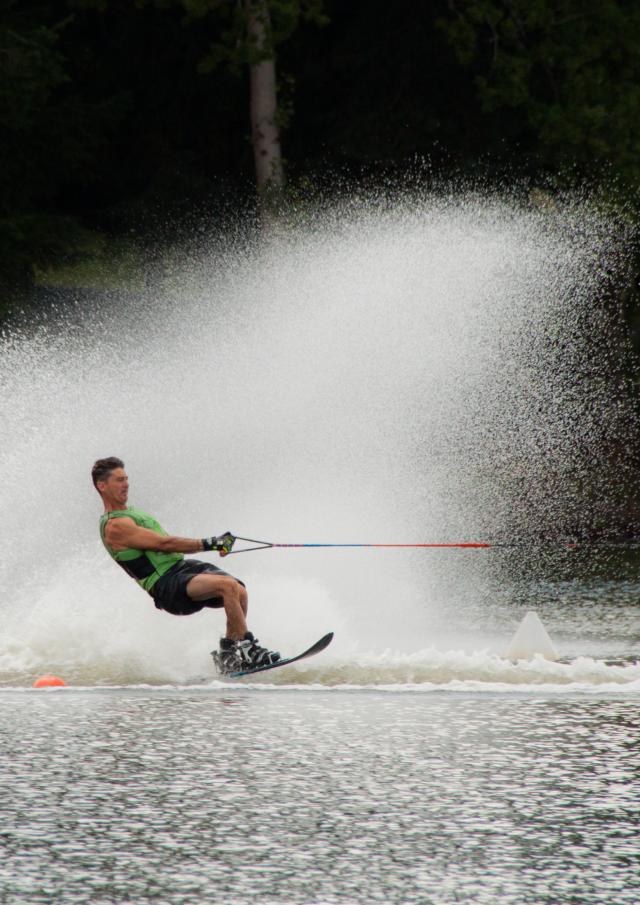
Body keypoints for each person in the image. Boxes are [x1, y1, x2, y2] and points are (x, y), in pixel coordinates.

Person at [92, 456, 279, 672]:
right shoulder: (115, 526)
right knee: (226, 586)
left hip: (180, 569)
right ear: (102, 486)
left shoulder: (131, 513)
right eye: (119, 480)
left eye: (126, 479)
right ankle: (249, 649)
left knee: (239, 590)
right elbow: (164, 543)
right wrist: (211, 543)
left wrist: (212, 545)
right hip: (166, 585)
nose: (126, 484)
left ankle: (228, 654)